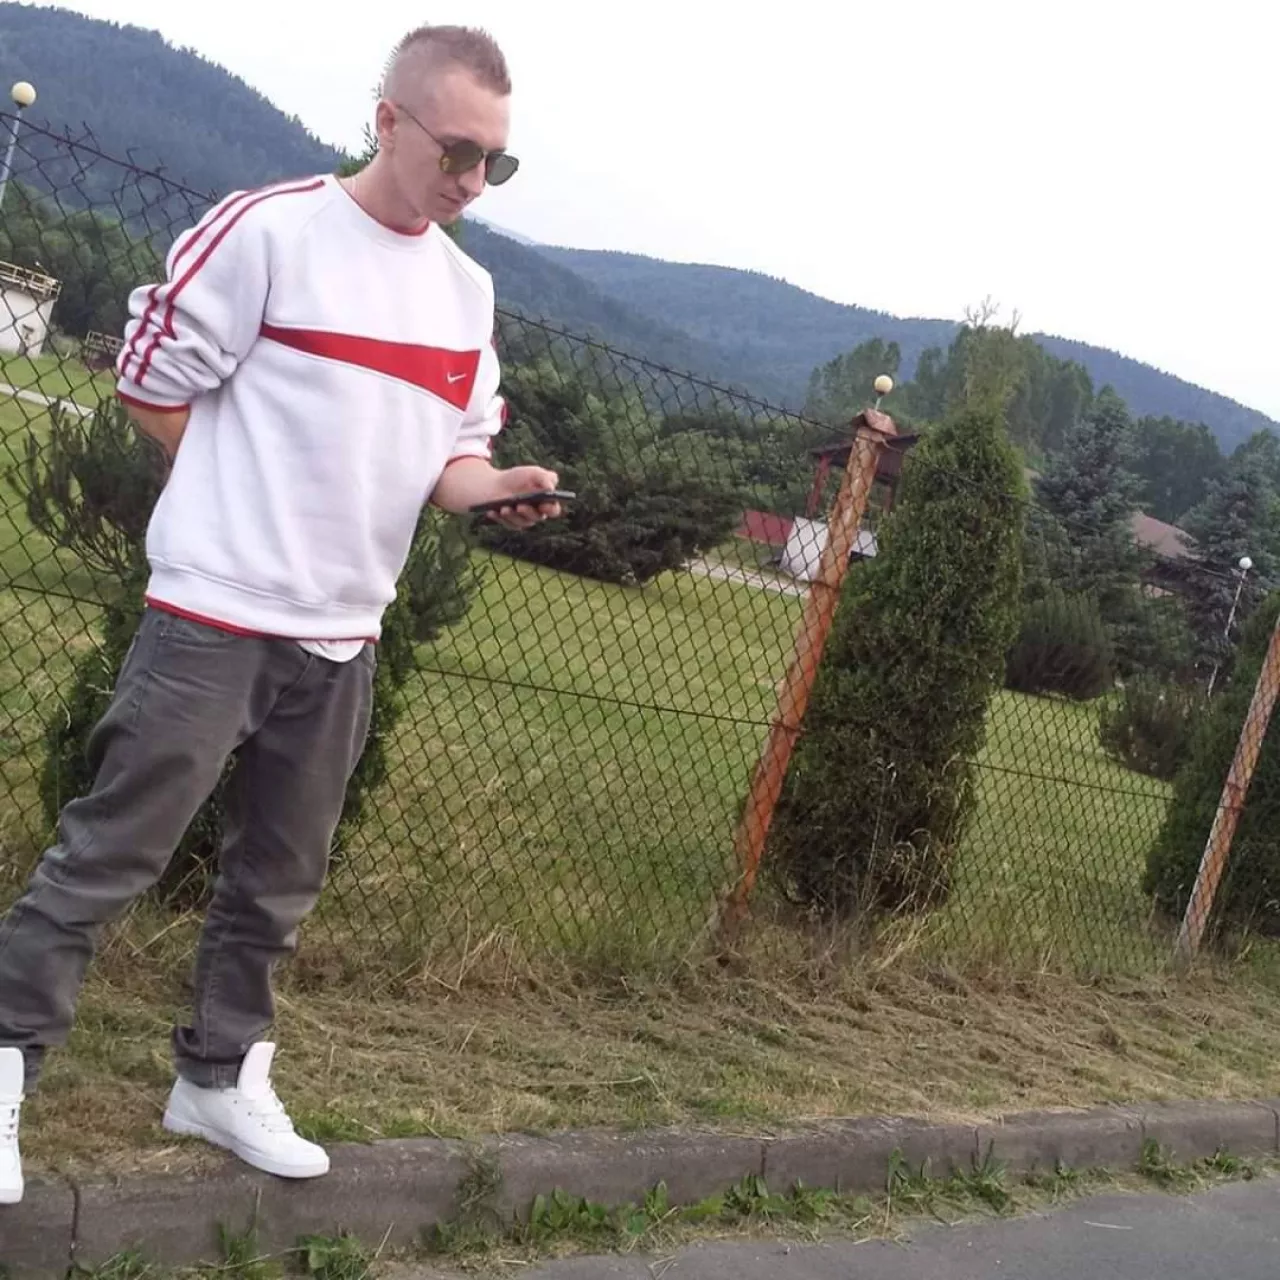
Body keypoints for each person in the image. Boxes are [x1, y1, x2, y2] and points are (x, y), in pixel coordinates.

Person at [0, 23, 557, 1205]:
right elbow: (149, 381)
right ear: (388, 120)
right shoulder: (269, 231)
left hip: (344, 635)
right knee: (108, 855)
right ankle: (6, 1063)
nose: (472, 181)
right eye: (457, 151)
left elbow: (453, 452)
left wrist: (491, 488)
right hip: (212, 615)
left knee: (277, 881)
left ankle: (215, 1076)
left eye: (496, 162)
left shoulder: (466, 295)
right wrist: (234, 493)